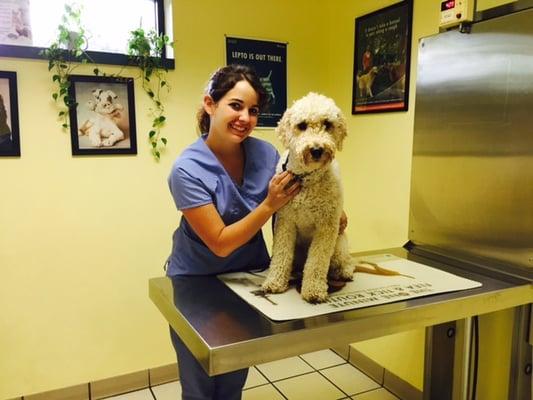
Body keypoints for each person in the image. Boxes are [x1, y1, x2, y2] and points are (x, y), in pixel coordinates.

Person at [166, 64, 300, 400]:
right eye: (235, 105)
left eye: (253, 110)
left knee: (232, 378)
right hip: (196, 282)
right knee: (199, 384)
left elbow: (297, 197)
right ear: (210, 104)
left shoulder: (266, 154)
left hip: (246, 278)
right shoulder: (186, 170)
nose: (245, 118)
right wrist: (268, 205)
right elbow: (220, 243)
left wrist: (332, 212)